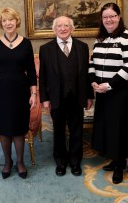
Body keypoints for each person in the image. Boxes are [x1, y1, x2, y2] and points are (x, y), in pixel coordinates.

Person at [88, 2, 128, 184]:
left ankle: (120, 165)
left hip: (121, 92)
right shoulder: (100, 39)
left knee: (119, 128)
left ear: (119, 17)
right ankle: (114, 158)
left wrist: (109, 86)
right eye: (105, 17)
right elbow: (92, 63)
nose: (109, 20)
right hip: (103, 91)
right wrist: (93, 81)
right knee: (107, 127)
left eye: (112, 16)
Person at [0, 7, 37, 180]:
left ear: (16, 21)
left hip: (21, 91)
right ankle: (8, 162)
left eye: (11, 20)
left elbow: (31, 70)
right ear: (1, 23)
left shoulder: (26, 42)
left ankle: (20, 162)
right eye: (4, 20)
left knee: (19, 129)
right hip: (0, 91)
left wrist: (34, 93)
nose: (8, 23)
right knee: (4, 130)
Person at [39, 16, 94, 177]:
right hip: (56, 97)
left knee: (77, 130)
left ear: (72, 28)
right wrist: (45, 98)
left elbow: (86, 75)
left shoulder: (83, 47)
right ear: (54, 29)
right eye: (59, 26)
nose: (63, 29)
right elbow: (43, 76)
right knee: (58, 131)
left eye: (66, 26)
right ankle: (61, 162)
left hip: (77, 96)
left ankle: (75, 162)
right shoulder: (46, 49)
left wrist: (89, 96)